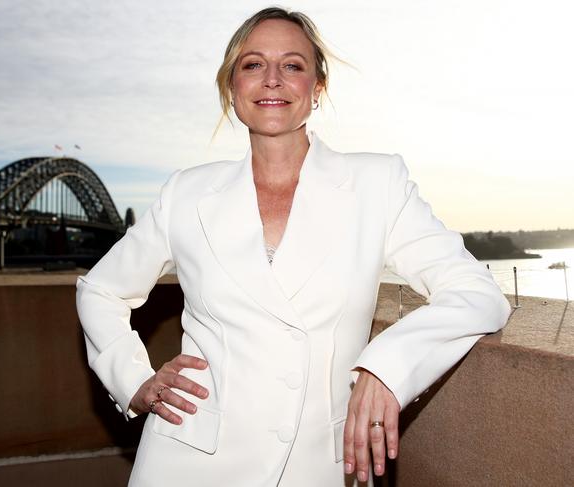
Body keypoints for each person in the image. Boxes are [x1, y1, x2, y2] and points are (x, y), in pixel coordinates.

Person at [76, 7, 510, 487]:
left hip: (315, 466)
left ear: (317, 87)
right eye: (254, 64)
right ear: (232, 87)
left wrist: (386, 367)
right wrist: (134, 382)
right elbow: (100, 291)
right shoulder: (187, 193)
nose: (272, 80)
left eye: (293, 65)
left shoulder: (377, 183)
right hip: (185, 458)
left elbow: (476, 293)